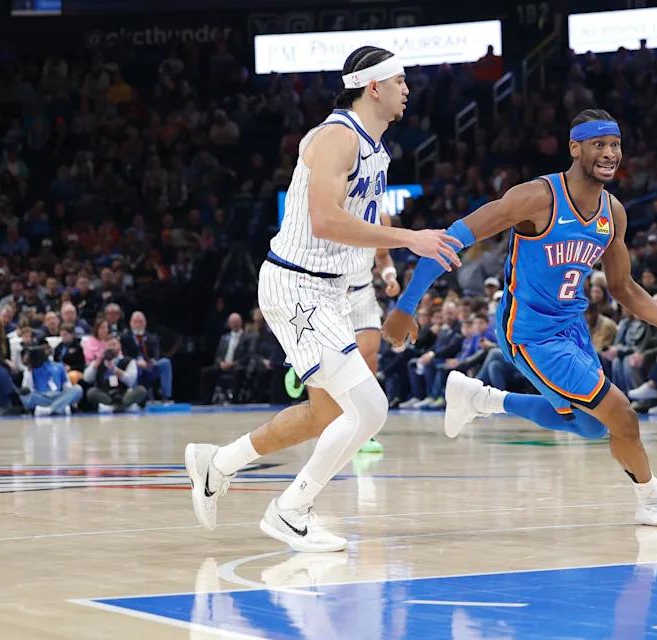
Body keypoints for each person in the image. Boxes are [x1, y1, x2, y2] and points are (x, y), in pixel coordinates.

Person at [184, 46, 460, 553]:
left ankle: (217, 464)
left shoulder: (377, 148)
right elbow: (324, 221)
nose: (407, 89)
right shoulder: (336, 137)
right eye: (399, 80)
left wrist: (391, 264)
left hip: (331, 289)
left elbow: (369, 218)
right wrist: (411, 239)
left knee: (327, 414)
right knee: (370, 409)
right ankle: (291, 510)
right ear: (372, 87)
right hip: (298, 285)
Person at [384, 108, 657, 527]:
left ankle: (481, 399)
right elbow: (453, 239)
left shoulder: (614, 214)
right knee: (622, 415)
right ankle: (653, 498)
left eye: (615, 145)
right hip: (529, 332)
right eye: (599, 145)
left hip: (571, 328)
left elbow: (624, 288)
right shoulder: (536, 198)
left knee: (593, 428)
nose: (610, 154)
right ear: (575, 148)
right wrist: (405, 307)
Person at [346, 211, 400, 453]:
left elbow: (383, 256)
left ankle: (364, 430)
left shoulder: (381, 217)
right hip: (331, 292)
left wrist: (389, 276)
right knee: (338, 363)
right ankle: (341, 422)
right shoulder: (334, 208)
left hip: (363, 293)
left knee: (369, 355)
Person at [198, 312, 254, 404]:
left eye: (236, 321)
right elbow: (218, 355)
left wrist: (233, 363)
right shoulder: (224, 337)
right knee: (205, 372)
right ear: (229, 324)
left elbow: (248, 356)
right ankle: (206, 401)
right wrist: (221, 363)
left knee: (239, 371)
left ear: (241, 322)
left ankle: (234, 400)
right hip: (223, 366)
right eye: (232, 322)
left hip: (237, 366)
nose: (235, 324)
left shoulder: (248, 338)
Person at [83, 334, 148, 413]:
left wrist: (115, 370)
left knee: (141, 390)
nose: (111, 347)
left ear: (119, 346)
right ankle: (118, 406)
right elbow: (87, 378)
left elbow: (131, 380)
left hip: (124, 393)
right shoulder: (98, 362)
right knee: (91, 392)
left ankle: (117, 406)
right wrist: (98, 362)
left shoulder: (129, 361)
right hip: (105, 394)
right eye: (108, 345)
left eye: (114, 344)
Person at [120, 311, 173, 403]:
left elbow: (156, 354)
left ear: (145, 323)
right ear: (131, 324)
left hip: (149, 368)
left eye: (140, 322)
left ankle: (165, 397)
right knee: (134, 366)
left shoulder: (152, 338)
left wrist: (152, 362)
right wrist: (136, 362)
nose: (138, 324)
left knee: (165, 362)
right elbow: (123, 355)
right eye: (135, 322)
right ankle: (133, 399)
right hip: (134, 368)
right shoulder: (124, 338)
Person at [20, 342, 83, 417]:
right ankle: (60, 407)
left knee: (77, 389)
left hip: (58, 395)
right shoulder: (32, 369)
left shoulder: (59, 366)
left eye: (47, 349)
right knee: (27, 397)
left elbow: (67, 387)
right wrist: (29, 368)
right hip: (41, 396)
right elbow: (27, 388)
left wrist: (67, 396)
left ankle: (50, 410)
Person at [0, 316, 20, 413]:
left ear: (0, 327)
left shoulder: (5, 341)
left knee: (1, 372)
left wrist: (6, 362)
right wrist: (6, 362)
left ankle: (5, 404)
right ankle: (14, 395)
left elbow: (8, 357)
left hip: (3, 368)